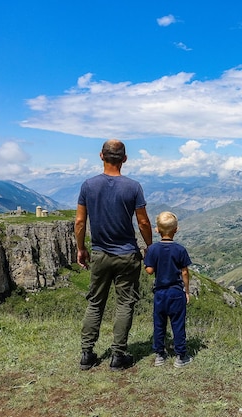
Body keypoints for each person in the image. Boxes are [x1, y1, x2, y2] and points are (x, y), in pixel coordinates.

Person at [75, 139, 153, 371]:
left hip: (99, 253)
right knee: (124, 304)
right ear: (125, 159)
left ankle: (87, 354)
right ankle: (118, 356)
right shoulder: (133, 187)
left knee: (95, 303)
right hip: (127, 255)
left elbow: (80, 221)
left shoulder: (88, 186)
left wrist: (81, 248)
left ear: (101, 156)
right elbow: (143, 221)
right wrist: (150, 245)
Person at [143, 211, 193, 368]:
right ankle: (180, 357)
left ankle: (159, 355)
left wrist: (147, 260)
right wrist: (186, 290)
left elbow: (149, 271)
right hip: (176, 293)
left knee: (159, 324)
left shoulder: (153, 249)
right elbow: (184, 272)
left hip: (160, 293)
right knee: (178, 324)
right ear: (176, 230)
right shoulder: (180, 250)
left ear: (157, 230)